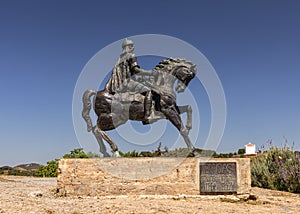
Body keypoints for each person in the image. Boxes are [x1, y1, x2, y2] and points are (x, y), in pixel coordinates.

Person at [105, 38, 153, 121]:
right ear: (129, 47)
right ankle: (147, 116)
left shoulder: (119, 59)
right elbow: (136, 70)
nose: (133, 47)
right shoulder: (131, 55)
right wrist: (150, 73)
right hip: (127, 83)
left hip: (120, 84)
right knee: (149, 91)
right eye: (131, 46)